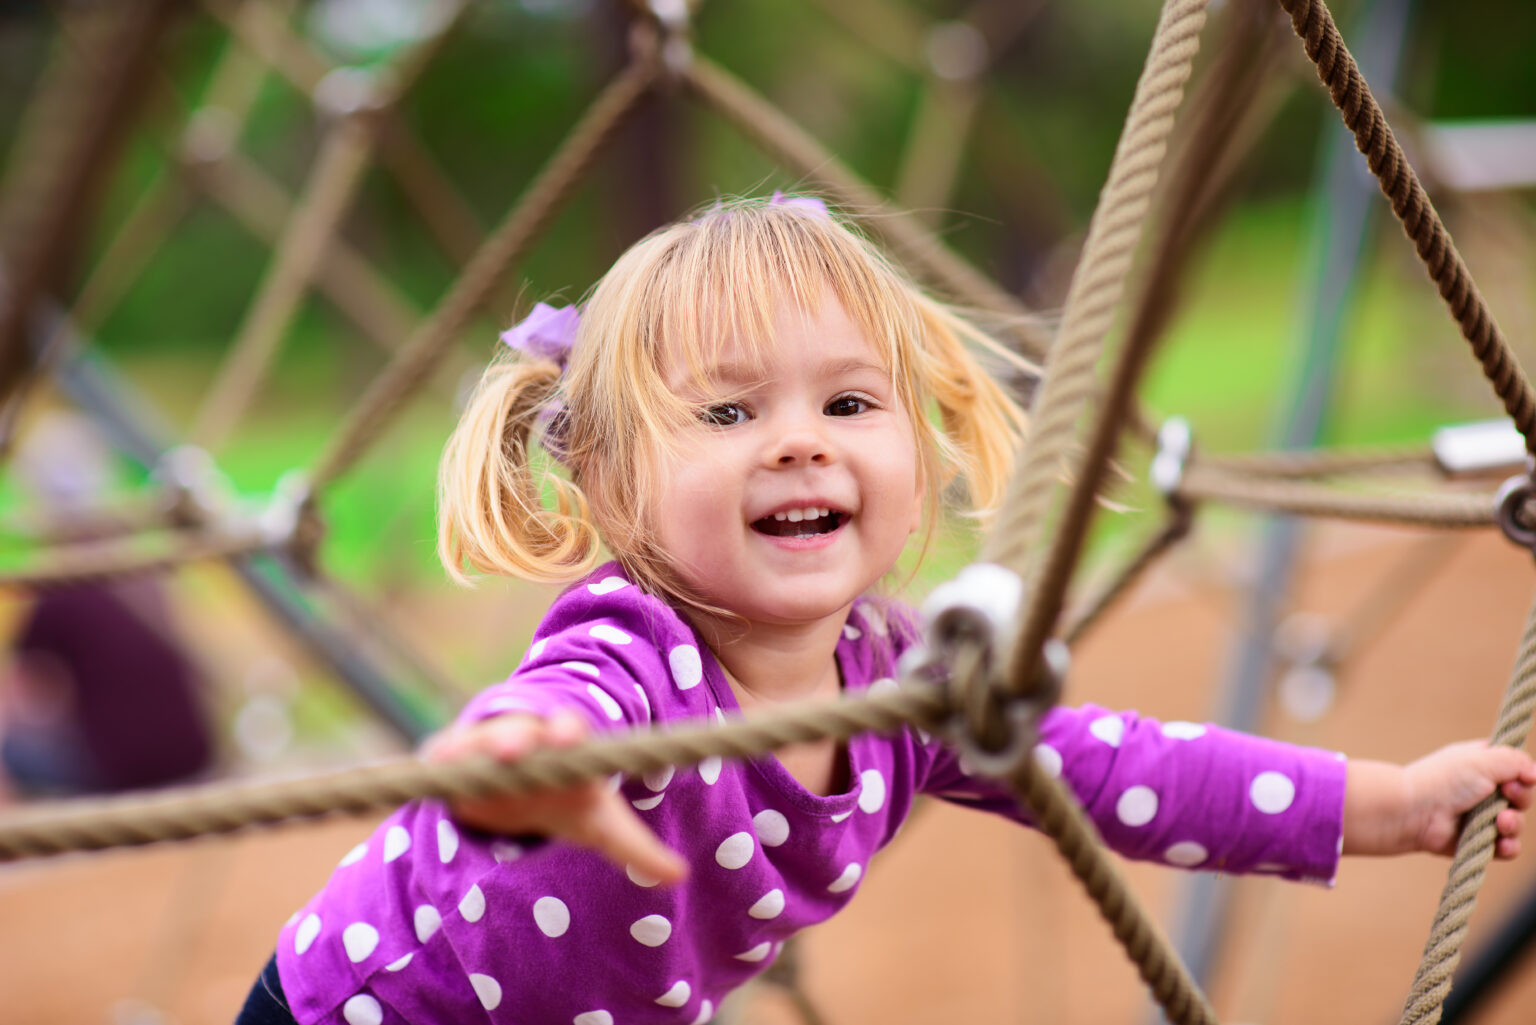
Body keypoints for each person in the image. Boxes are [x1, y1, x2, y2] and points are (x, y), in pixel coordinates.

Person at [237, 196, 1536, 1025]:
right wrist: (516, 770)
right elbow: (545, 709)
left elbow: (1133, 774)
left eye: (848, 404)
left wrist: (1390, 801)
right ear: (612, 483)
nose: (800, 444)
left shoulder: (905, 680)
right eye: (729, 412)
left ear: (914, 447)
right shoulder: (635, 647)